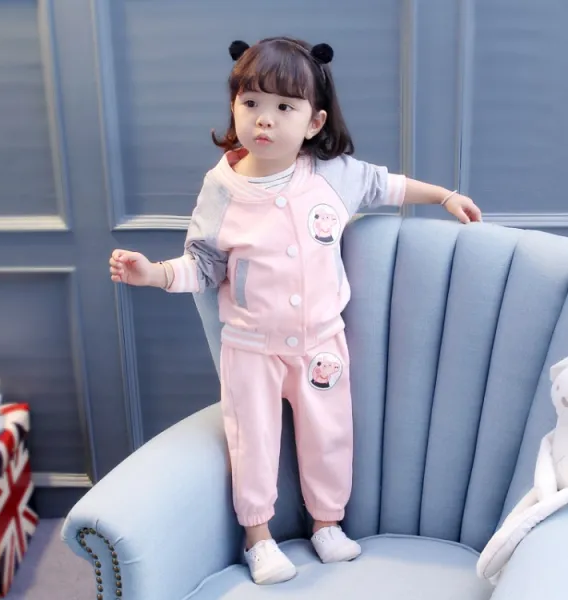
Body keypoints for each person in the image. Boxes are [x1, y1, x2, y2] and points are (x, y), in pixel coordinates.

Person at [109, 36, 482, 585]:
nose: (265, 119)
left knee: (329, 435)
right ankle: (258, 538)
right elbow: (204, 264)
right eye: (251, 102)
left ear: (314, 121)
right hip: (251, 347)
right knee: (252, 441)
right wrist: (155, 274)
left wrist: (445, 196)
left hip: (320, 342)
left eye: (285, 107)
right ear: (234, 106)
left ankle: (327, 524)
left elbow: (388, 185)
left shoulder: (332, 175)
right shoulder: (222, 188)